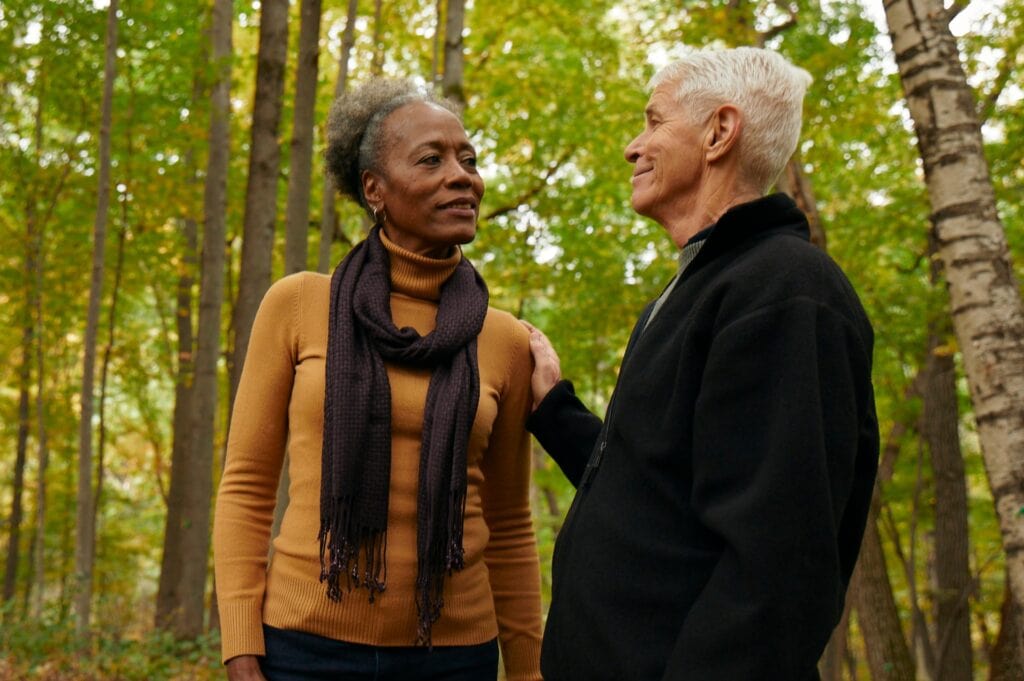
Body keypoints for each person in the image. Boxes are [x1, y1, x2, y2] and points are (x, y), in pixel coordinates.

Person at [523, 47, 879, 680]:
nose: (634, 147)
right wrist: (554, 410)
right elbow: (656, 495)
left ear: (718, 132)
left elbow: (777, 571)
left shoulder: (786, 293)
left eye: (654, 121)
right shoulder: (698, 290)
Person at [213, 79, 542, 681]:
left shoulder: (506, 340)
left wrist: (527, 667)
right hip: (302, 649)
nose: (462, 175)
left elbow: (511, 524)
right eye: (431, 159)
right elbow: (246, 487)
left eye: (469, 160)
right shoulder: (298, 305)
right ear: (375, 190)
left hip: (454, 655)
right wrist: (240, 644)